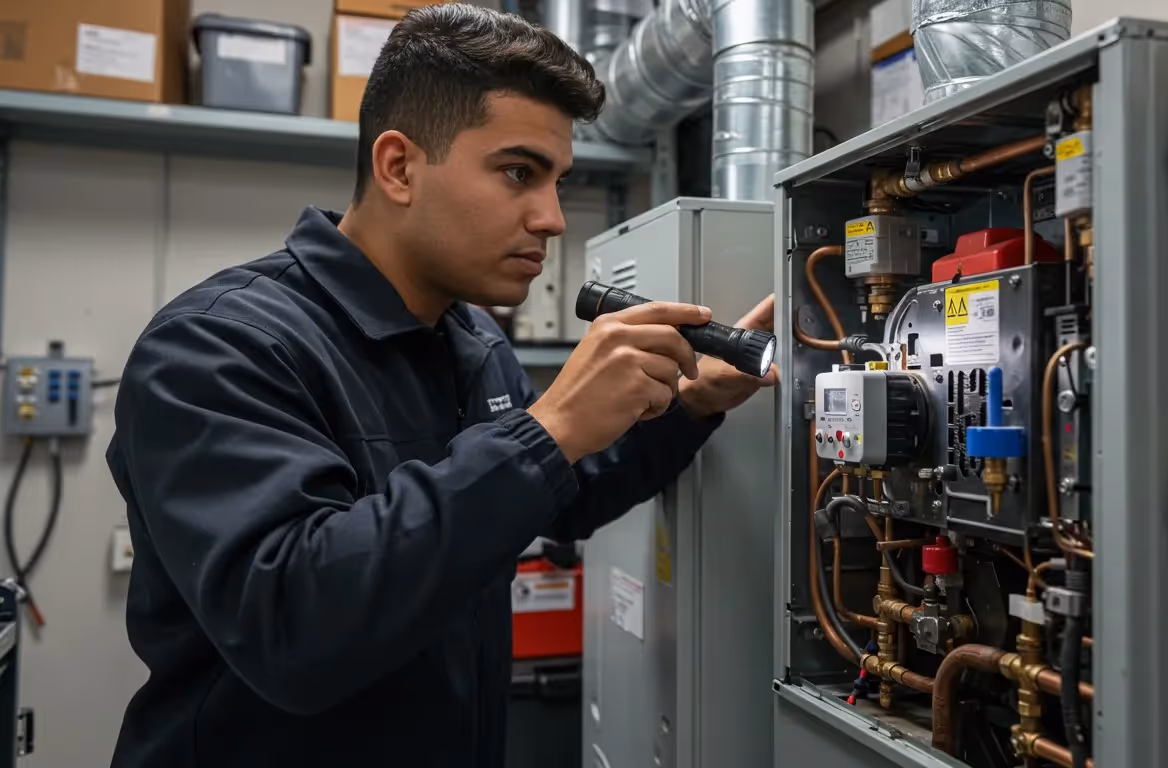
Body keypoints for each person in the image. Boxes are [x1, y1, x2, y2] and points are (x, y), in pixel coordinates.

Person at [104, 5, 775, 767]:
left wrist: (689, 405)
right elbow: (291, 625)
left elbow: (560, 496)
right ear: (398, 167)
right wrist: (547, 431)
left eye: (558, 182)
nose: (553, 218)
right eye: (519, 173)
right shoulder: (218, 344)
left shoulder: (472, 340)